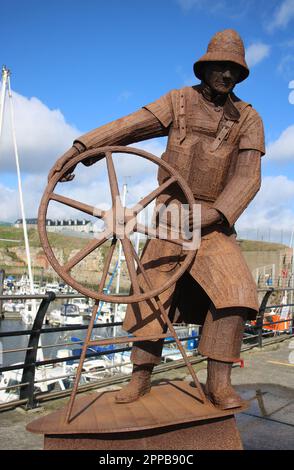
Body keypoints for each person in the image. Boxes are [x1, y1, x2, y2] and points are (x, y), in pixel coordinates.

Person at [49, 29, 265, 409]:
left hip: (215, 225)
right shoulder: (177, 102)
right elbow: (130, 126)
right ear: (205, 67)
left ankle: (219, 383)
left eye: (235, 70)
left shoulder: (248, 118)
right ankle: (141, 377)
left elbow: (248, 176)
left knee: (236, 293)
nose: (227, 76)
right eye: (221, 67)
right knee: (152, 294)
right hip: (167, 219)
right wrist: (81, 148)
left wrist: (215, 213)